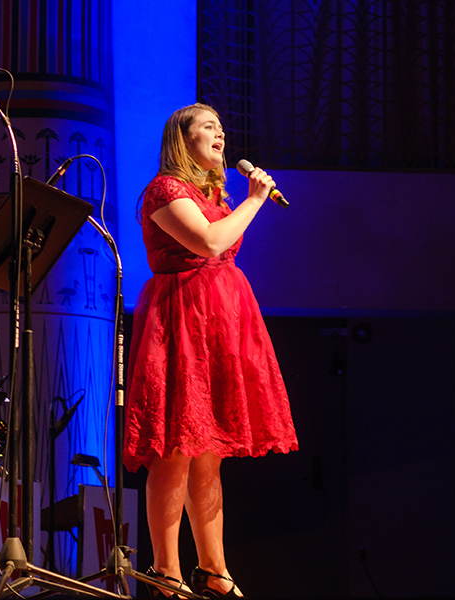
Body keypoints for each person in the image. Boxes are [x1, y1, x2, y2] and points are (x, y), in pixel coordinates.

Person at [124, 103, 298, 599]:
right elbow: (208, 243)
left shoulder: (212, 194)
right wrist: (255, 200)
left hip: (219, 325)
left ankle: (214, 569)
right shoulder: (165, 190)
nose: (220, 134)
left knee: (209, 454)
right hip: (180, 323)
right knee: (175, 450)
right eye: (208, 127)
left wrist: (240, 201)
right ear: (183, 139)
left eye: (222, 128)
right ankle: (166, 571)